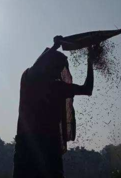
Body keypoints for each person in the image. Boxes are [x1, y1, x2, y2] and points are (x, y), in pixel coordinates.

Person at [13, 36, 95, 178]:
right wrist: (55, 47)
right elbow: (37, 66)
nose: (58, 71)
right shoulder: (29, 79)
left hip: (47, 148)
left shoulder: (56, 87)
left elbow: (87, 90)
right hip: (30, 148)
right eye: (56, 67)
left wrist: (90, 60)